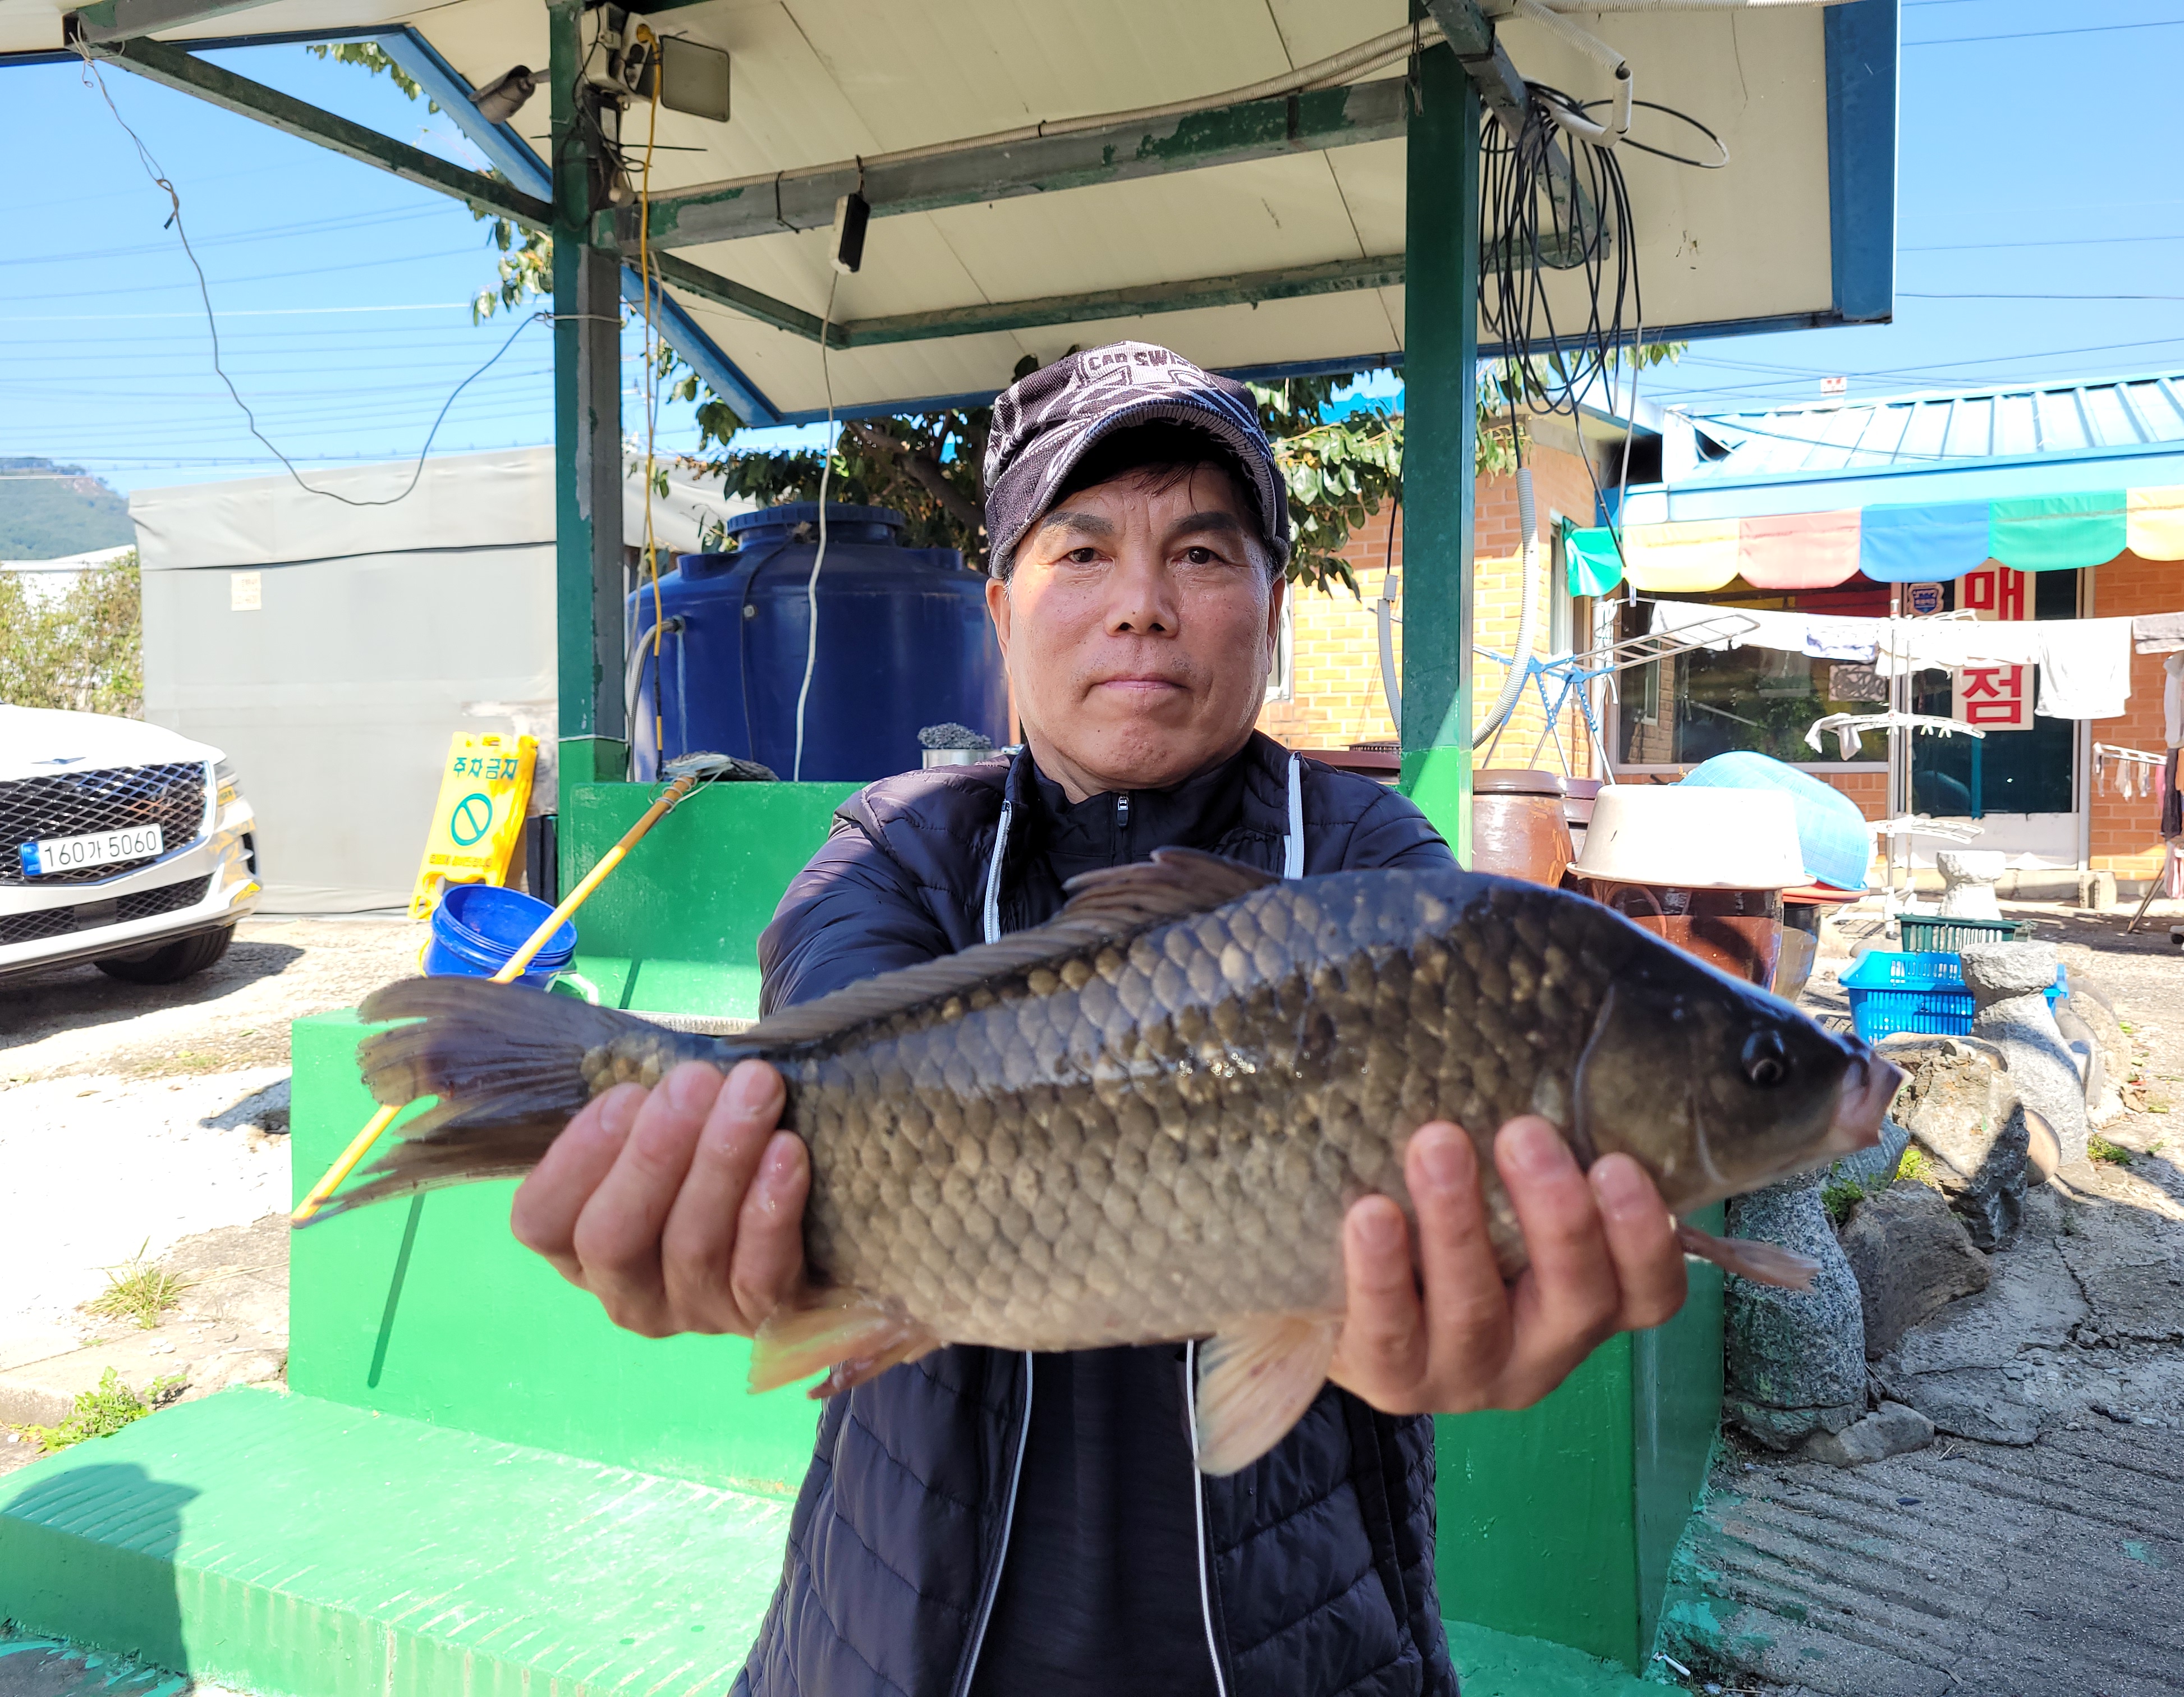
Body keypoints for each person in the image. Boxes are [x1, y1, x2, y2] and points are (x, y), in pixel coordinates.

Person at [508, 342, 1687, 1697]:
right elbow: (823, 1042)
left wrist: (1467, 1304)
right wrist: (737, 1211)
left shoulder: (1378, 871)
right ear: (999, 613)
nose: (1142, 607)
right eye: (1081, 553)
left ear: (1271, 609)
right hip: (888, 1647)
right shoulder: (893, 848)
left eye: (1202, 553)